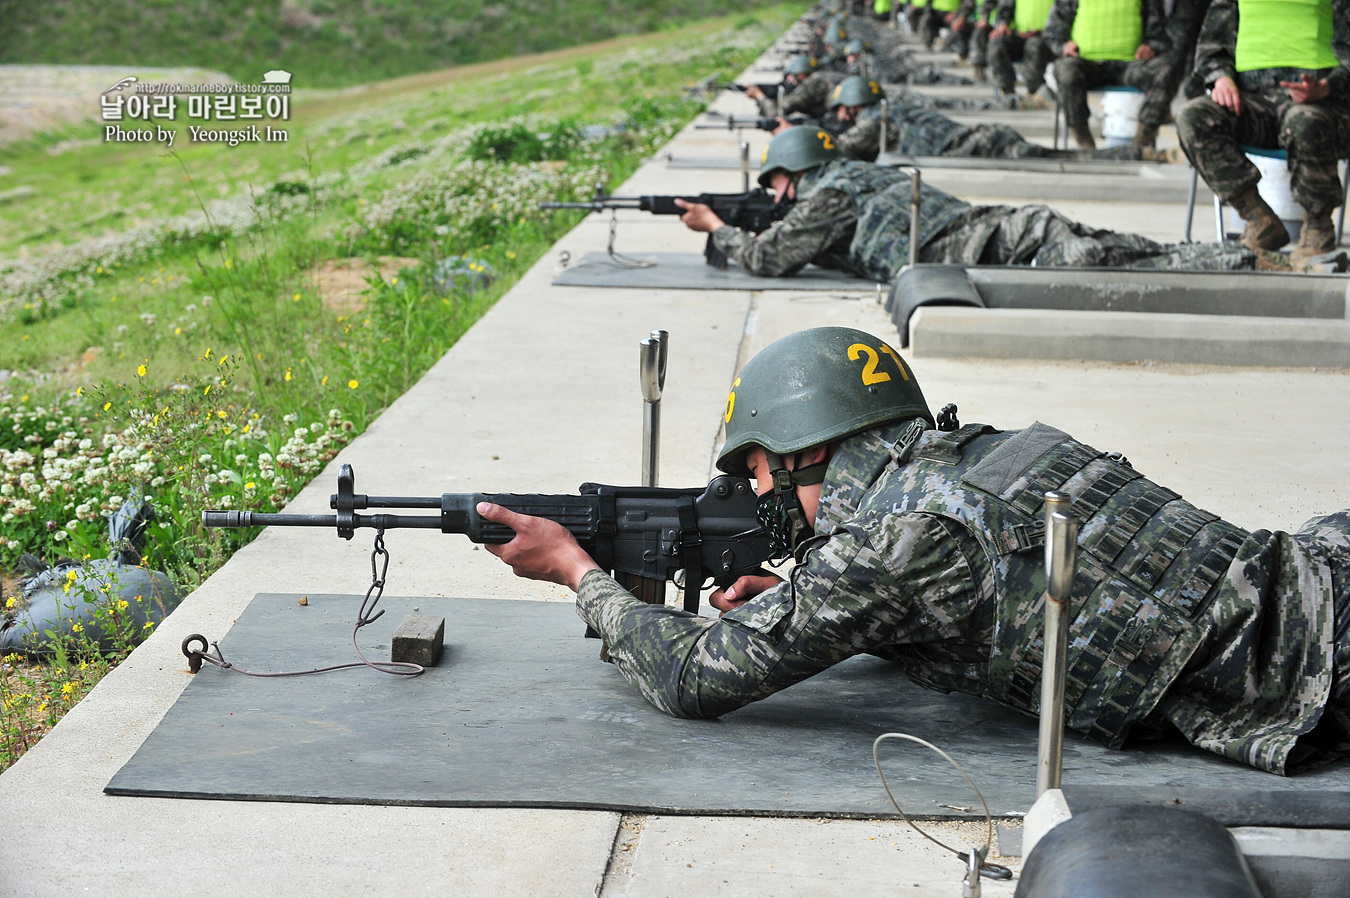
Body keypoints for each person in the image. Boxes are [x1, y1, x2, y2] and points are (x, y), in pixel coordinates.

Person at [476, 326, 1350, 775]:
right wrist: (800, 596)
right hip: (1313, 574)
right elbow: (970, 600)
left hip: (1323, 674)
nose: (760, 493)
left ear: (800, 451)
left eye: (757, 471)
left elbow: (689, 678)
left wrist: (577, 572)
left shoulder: (888, 544)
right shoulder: (974, 455)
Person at [673, 127, 1274, 283]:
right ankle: (1237, 255)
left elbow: (767, 258)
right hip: (1009, 225)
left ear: (794, 175)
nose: (777, 197)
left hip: (1003, 250)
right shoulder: (857, 173)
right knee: (1132, 248)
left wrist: (716, 226)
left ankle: (1246, 266)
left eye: (779, 185)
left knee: (1124, 264)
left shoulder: (827, 194)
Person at [1176, 0, 1350, 266]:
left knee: (1306, 121)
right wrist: (1222, 78)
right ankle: (1258, 219)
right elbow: (1213, 45)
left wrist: (1327, 86)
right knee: (1193, 117)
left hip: (1323, 102)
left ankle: (1318, 228)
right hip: (1253, 101)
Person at [827, 74, 1168, 161]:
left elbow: (838, 151)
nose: (841, 116)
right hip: (983, 138)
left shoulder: (875, 120)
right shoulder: (888, 109)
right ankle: (1142, 153)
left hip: (980, 147)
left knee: (1064, 157)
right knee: (1058, 155)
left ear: (855, 105)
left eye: (843, 110)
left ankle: (1142, 154)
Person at [1043, 0, 1176, 148]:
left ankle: (1141, 140)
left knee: (1165, 70)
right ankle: (1084, 142)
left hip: (1130, 65)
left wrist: (1152, 47)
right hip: (1086, 64)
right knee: (1067, 72)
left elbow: (1160, 33)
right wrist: (1064, 45)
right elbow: (1053, 29)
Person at [987, 0, 1058, 100]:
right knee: (996, 44)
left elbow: (1064, 16)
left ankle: (1035, 94)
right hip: (1019, 35)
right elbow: (1005, 10)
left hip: (1049, 38)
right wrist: (1003, 25)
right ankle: (1007, 92)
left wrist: (1044, 32)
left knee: (1034, 45)